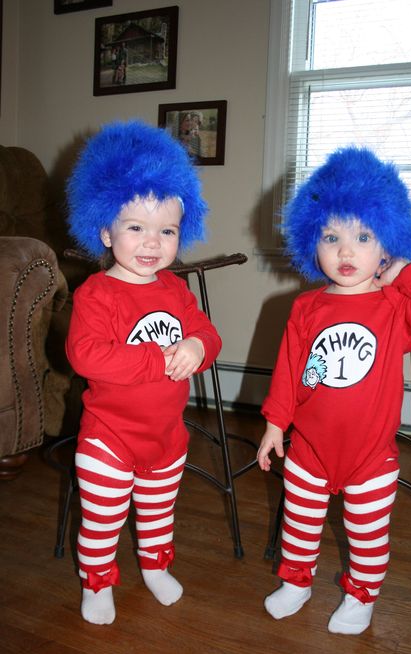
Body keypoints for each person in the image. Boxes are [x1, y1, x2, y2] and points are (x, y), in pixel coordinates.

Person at [257, 147, 411, 634]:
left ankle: (362, 596)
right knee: (299, 523)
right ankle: (297, 581)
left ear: (386, 245)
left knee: (367, 533)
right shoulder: (306, 308)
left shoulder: (394, 308)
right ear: (313, 242)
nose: (346, 251)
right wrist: (273, 425)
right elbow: (289, 371)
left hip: (370, 453)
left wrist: (402, 271)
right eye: (332, 237)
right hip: (308, 447)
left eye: (363, 237)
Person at [65, 120, 222, 625]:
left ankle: (155, 567)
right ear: (106, 230)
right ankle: (97, 581)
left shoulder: (174, 290)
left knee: (157, 514)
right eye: (136, 227)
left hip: (166, 436)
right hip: (108, 437)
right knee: (103, 521)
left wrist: (199, 345)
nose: (152, 243)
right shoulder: (97, 294)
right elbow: (86, 355)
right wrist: (158, 358)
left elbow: (209, 333)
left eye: (168, 230)